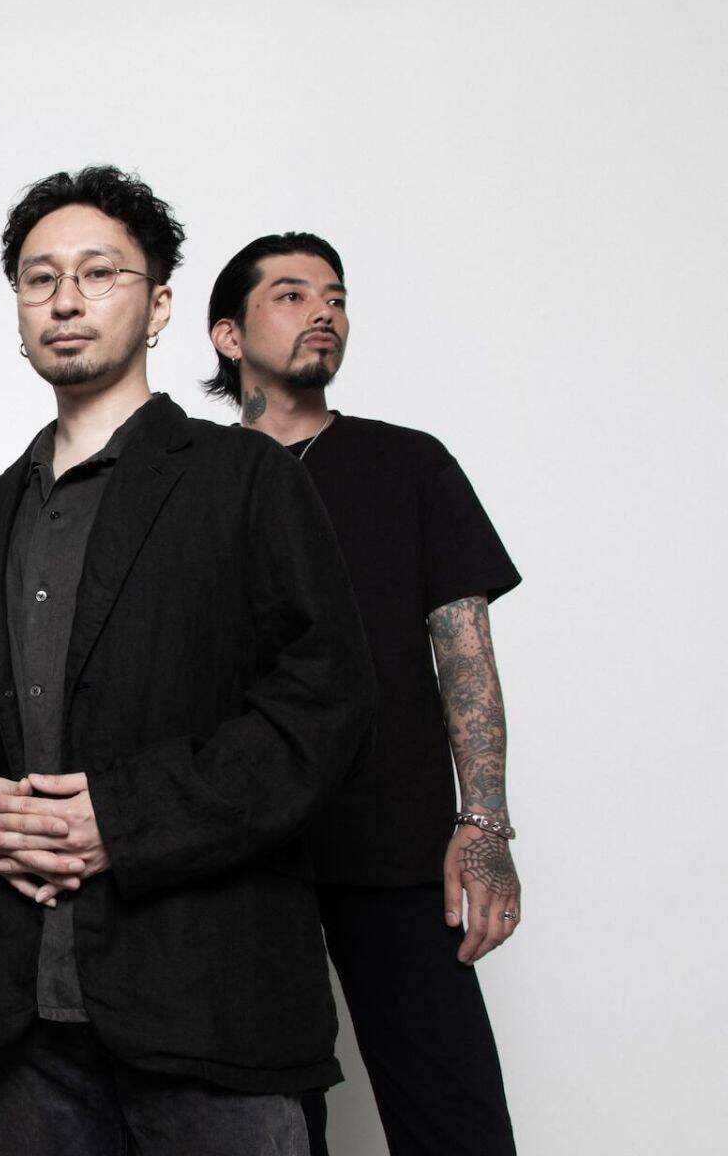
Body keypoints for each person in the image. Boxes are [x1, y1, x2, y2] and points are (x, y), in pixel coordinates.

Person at [0, 167, 376, 1156]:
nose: (66, 300)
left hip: (210, 1003)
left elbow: (323, 704)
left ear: (158, 306)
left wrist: (126, 817)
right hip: (14, 1018)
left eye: (98, 273)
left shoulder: (246, 478)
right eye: (40, 279)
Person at [205, 232, 522, 1156]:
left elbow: (466, 653)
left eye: (336, 297)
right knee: (263, 1124)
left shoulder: (407, 463)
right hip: (239, 852)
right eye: (292, 294)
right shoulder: (190, 482)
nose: (325, 313)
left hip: (393, 838)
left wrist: (485, 826)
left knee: (453, 1115)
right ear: (229, 334)